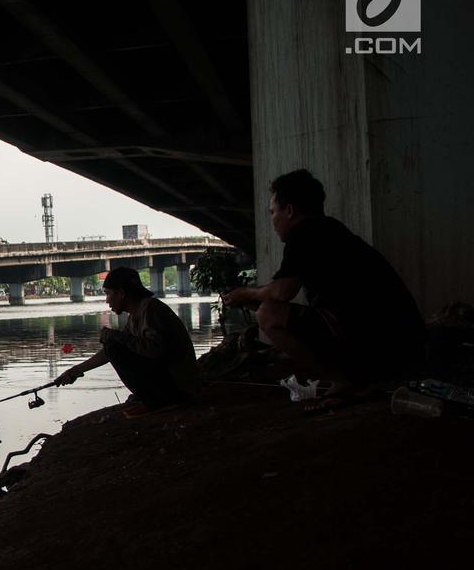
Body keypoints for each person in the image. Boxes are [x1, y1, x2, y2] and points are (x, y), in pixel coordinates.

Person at [221, 169, 424, 410]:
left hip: (384, 342)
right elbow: (281, 298)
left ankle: (346, 382)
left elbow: (281, 293)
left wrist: (245, 293)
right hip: (398, 338)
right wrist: (252, 299)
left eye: (273, 212)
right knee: (268, 310)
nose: (273, 221)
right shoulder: (328, 230)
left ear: (290, 210)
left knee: (268, 315)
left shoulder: (304, 234)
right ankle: (361, 376)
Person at [51, 267, 200, 418]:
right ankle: (153, 397)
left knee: (113, 344)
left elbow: (154, 350)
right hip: (176, 383)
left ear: (121, 294)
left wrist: (114, 336)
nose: (107, 300)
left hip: (180, 386)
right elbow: (113, 351)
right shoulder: (137, 313)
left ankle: (159, 401)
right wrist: (75, 370)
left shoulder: (150, 309)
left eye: (108, 293)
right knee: (113, 344)